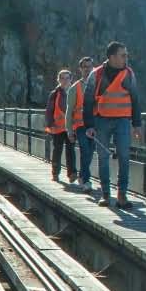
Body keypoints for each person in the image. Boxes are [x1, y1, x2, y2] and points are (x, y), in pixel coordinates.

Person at [83, 41, 142, 208]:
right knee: (103, 157)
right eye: (123, 55)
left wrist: (137, 125)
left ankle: (122, 195)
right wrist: (89, 125)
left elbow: (135, 99)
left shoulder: (129, 74)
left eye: (126, 55)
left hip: (123, 121)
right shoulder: (96, 74)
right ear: (112, 57)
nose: (126, 58)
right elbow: (87, 102)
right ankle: (106, 195)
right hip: (101, 120)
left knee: (124, 156)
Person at [66, 56, 96, 194]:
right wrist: (69, 131)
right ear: (80, 69)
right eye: (85, 66)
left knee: (90, 152)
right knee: (85, 150)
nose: (88, 69)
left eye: (90, 66)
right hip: (80, 125)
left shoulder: (98, 85)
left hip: (95, 125)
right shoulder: (75, 88)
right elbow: (69, 111)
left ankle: (83, 176)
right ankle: (86, 180)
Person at [44, 70, 76, 182]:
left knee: (70, 150)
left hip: (71, 127)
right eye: (62, 78)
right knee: (57, 150)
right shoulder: (54, 94)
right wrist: (50, 124)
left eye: (67, 78)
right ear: (59, 80)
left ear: (71, 79)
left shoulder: (75, 91)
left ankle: (72, 173)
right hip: (57, 127)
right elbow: (49, 110)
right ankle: (55, 173)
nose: (65, 80)